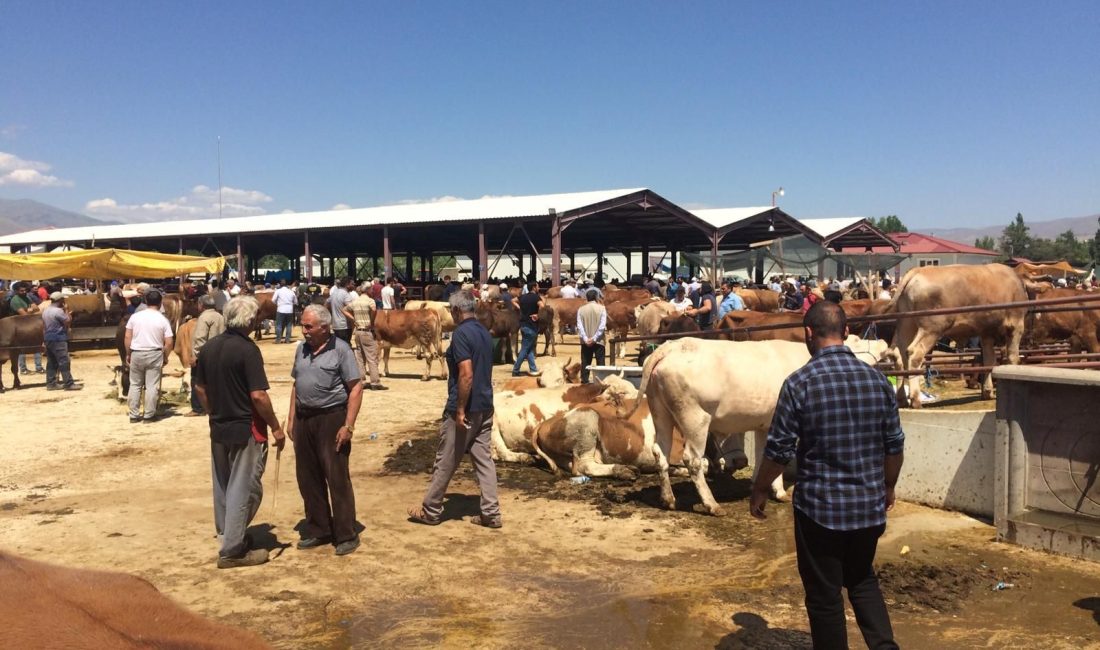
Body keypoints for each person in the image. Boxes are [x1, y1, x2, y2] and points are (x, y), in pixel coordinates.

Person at [750, 301, 904, 649]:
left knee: (824, 597)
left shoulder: (799, 383)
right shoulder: (878, 381)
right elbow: (894, 444)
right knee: (863, 579)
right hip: (868, 506)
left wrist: (760, 489)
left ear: (808, 334)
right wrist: (888, 485)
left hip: (820, 511)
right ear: (846, 331)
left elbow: (779, 450)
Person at [194, 296, 286, 569]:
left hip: (219, 425)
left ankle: (228, 533)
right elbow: (258, 396)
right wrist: (276, 426)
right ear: (249, 321)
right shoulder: (248, 350)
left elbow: (200, 389)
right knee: (244, 487)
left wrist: (214, 412)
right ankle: (233, 550)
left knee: (223, 483)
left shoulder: (209, 348)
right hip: (245, 426)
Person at [407, 290, 501, 528]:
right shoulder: (483, 332)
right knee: (484, 461)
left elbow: (466, 374)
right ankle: (491, 512)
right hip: (485, 405)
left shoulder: (460, 335)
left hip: (466, 408)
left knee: (445, 459)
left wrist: (459, 410)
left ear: (457, 310)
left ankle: (431, 510)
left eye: (451, 310)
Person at [287, 304, 364, 556]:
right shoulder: (301, 350)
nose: (304, 330)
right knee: (307, 477)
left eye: (309, 326)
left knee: (336, 476)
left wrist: (348, 425)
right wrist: (291, 420)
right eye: (303, 325)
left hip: (332, 418)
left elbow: (355, 388)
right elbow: (296, 384)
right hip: (304, 419)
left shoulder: (341, 350)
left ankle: (345, 533)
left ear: (324, 327)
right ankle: (319, 528)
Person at [124, 289, 174, 423]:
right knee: (152, 386)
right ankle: (149, 415)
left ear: (145, 301)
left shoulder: (135, 317)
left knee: (135, 384)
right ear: (160, 302)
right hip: (155, 352)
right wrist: (165, 356)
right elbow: (169, 342)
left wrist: (128, 354)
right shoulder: (163, 319)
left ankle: (134, 415)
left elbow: (128, 336)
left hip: (136, 352)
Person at [185, 295, 226, 417]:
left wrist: (195, 355)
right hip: (220, 352)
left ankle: (198, 408)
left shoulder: (204, 318)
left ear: (201, 305)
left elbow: (200, 338)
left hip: (205, 354)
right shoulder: (220, 316)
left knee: (197, 381)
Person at [349, 283, 387, 391]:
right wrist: (371, 322)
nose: (372, 291)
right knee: (372, 357)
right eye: (371, 289)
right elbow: (374, 310)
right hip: (367, 331)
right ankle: (375, 382)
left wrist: (353, 319)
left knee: (360, 358)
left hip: (358, 332)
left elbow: (344, 309)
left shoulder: (355, 301)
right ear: (368, 290)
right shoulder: (370, 301)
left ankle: (362, 381)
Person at [42, 292, 82, 391]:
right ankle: (68, 383)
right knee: (64, 361)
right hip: (58, 338)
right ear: (60, 300)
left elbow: (43, 327)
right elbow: (68, 321)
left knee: (51, 361)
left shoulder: (45, 311)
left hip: (48, 338)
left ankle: (51, 383)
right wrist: (67, 310)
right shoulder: (58, 311)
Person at [9, 282, 44, 374]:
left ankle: (39, 367)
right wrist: (30, 311)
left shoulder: (27, 297)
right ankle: (23, 369)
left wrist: (31, 310)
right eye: (21, 291)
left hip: (30, 326)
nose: (24, 292)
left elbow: (37, 308)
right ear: (16, 291)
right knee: (21, 348)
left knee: (37, 345)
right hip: (19, 328)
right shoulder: (15, 300)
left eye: (25, 290)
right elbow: (23, 315)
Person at [512, 281, 542, 377]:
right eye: (537, 286)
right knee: (524, 349)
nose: (539, 288)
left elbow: (512, 300)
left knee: (529, 349)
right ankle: (515, 370)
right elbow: (543, 306)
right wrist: (537, 315)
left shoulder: (523, 297)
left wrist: (520, 307)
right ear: (534, 287)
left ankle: (533, 369)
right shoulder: (536, 297)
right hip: (531, 326)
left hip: (523, 325)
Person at [576, 289, 607, 384]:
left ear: (587, 298)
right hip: (599, 341)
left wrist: (586, 339)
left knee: (585, 362)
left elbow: (579, 326)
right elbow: (602, 326)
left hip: (585, 342)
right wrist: (594, 338)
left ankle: (585, 382)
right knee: (600, 362)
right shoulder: (602, 308)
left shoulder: (581, 309)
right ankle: (600, 382)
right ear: (596, 297)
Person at [325, 277, 354, 343]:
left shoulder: (334, 293)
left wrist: (330, 314)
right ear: (347, 284)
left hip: (335, 325)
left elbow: (326, 304)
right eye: (352, 284)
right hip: (345, 326)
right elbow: (351, 309)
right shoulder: (346, 295)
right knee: (345, 346)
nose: (353, 286)